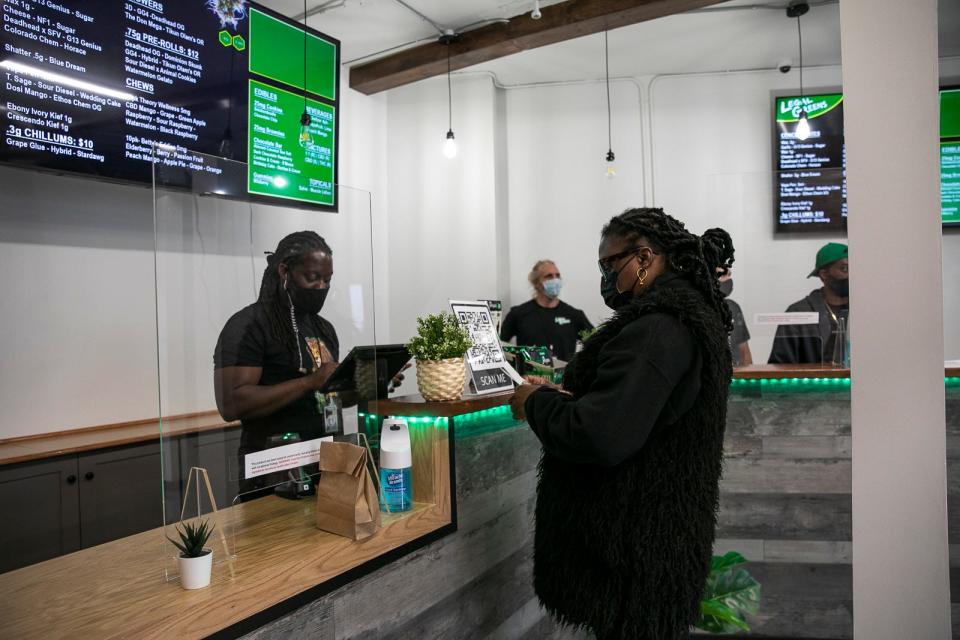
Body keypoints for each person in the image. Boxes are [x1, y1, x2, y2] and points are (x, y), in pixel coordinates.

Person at [509, 207, 734, 639]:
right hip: (651, 546)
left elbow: (599, 435)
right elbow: (632, 410)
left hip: (631, 554)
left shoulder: (657, 329)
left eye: (609, 264)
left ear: (644, 258)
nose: (605, 276)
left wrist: (535, 401)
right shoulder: (683, 319)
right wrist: (562, 396)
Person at [214, 231, 341, 498]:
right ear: (285, 271)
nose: (321, 287)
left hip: (322, 462)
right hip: (271, 471)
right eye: (313, 277)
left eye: (327, 280)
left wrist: (368, 381)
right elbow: (231, 403)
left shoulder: (323, 328)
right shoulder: (248, 325)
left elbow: (328, 396)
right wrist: (308, 382)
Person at [768, 242, 849, 364]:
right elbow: (779, 368)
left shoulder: (866, 309)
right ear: (824, 275)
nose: (851, 275)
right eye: (845, 269)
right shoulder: (797, 313)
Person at [499, 259, 592, 362]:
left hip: (564, 376)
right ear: (536, 283)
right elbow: (497, 345)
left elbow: (596, 344)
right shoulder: (518, 314)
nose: (555, 280)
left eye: (557, 275)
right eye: (549, 276)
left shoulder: (574, 315)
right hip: (530, 377)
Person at [719, 268, 753, 367]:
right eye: (723, 274)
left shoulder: (733, 307)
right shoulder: (698, 310)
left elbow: (744, 350)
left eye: (729, 275)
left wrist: (749, 378)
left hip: (735, 375)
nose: (728, 279)